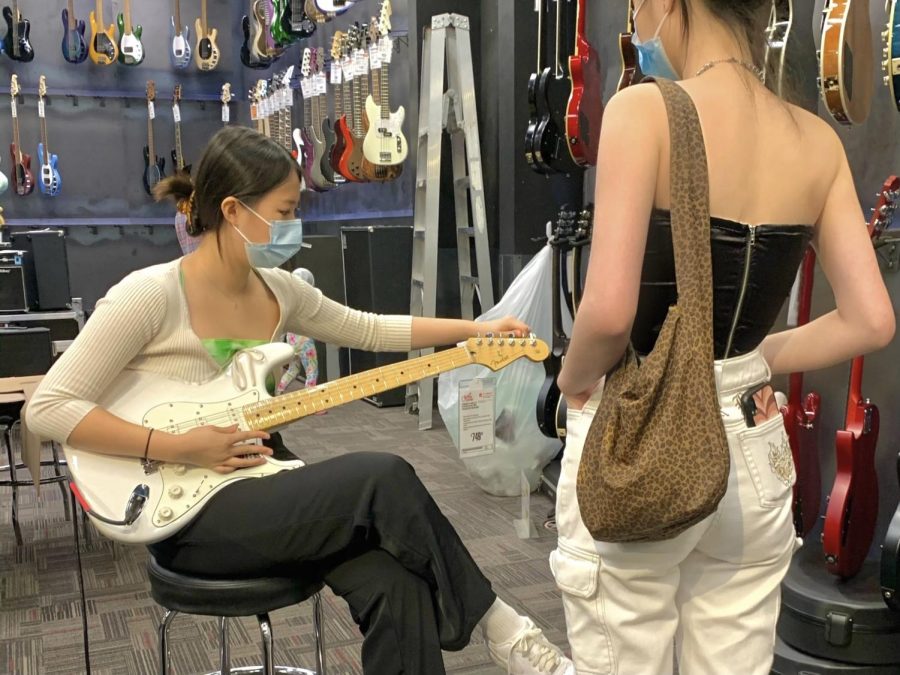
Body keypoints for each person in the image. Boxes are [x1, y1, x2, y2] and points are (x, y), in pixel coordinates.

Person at [26, 126, 574, 675]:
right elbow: (48, 407)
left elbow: (369, 328)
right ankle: (503, 628)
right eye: (284, 212)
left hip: (262, 478)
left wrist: (477, 331)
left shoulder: (277, 290)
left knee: (396, 583)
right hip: (188, 516)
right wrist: (180, 446)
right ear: (234, 211)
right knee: (381, 476)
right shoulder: (148, 294)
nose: (293, 227)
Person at [553, 1, 895, 674]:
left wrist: (569, 381)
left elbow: (609, 313)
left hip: (640, 433)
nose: (636, 23)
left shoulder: (642, 113)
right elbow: (872, 318)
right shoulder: (815, 141)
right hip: (755, 455)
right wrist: (755, 358)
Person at [275, 268, 320, 396]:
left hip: (291, 340)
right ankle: (310, 401)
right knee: (312, 371)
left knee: (292, 369)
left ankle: (277, 393)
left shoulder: (287, 300)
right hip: (305, 342)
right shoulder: (309, 301)